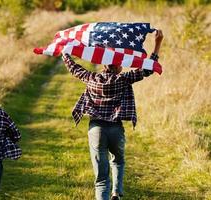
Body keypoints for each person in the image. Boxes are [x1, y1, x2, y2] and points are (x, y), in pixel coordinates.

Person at [62, 30, 163, 200]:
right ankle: (117, 192)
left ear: (104, 66)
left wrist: (64, 49)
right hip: (116, 129)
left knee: (101, 178)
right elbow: (147, 69)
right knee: (118, 161)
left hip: (96, 129)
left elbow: (73, 67)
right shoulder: (123, 79)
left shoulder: (91, 78)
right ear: (117, 67)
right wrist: (157, 43)